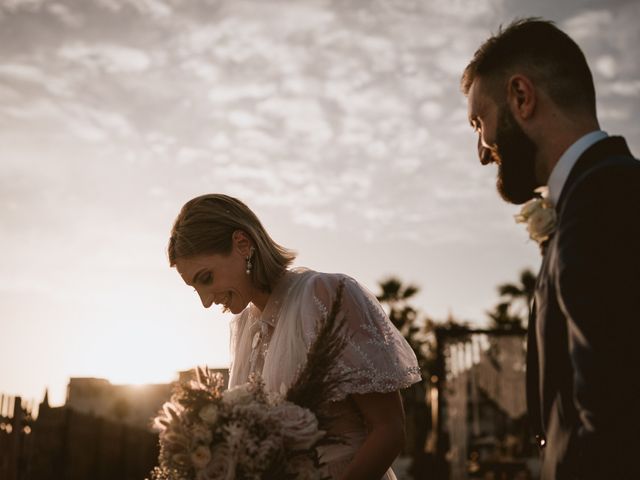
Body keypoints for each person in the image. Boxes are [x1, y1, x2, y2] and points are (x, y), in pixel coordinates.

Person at [462, 18, 640, 480]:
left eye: (480, 122)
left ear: (521, 97)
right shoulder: (596, 195)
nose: (482, 150)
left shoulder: (606, 201)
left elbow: (616, 421)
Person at [167, 193, 422, 480]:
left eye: (206, 278)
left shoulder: (326, 295)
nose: (205, 301)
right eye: (195, 288)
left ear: (243, 244)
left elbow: (388, 429)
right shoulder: (243, 330)